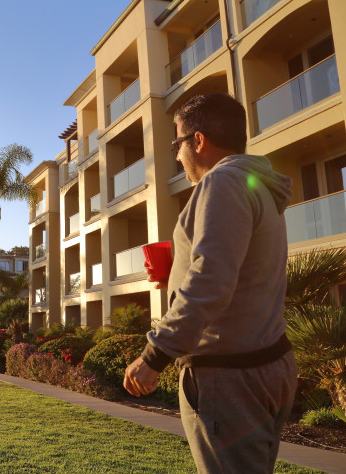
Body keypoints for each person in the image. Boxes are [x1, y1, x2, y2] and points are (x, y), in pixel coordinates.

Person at [123, 93, 297, 473]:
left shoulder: (221, 183)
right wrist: (175, 275)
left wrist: (154, 356)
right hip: (266, 363)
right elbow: (231, 272)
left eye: (177, 144)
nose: (178, 155)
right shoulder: (256, 186)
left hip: (229, 378)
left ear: (198, 141)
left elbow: (211, 281)